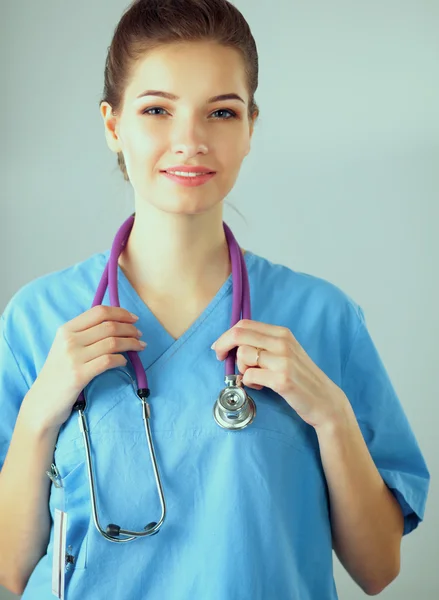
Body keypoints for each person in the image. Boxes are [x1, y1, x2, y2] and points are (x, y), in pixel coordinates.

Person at [0, 0, 430, 598]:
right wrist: (40, 412)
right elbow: (7, 567)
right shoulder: (37, 318)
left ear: (250, 127)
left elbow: (379, 568)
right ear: (112, 125)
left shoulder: (322, 318)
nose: (191, 141)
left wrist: (330, 414)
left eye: (221, 112)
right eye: (157, 110)